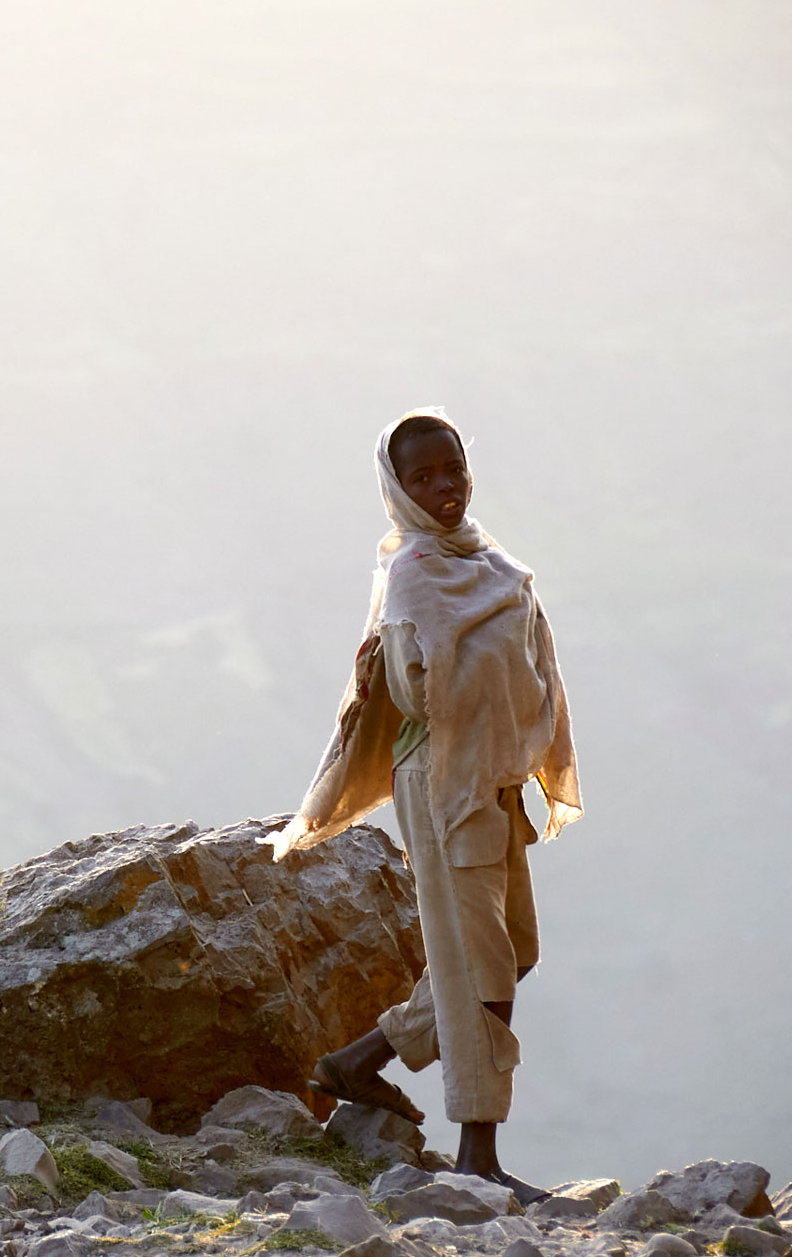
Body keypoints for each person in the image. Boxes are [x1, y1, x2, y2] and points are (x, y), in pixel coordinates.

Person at [263, 409, 581, 1202]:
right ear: (397, 490)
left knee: (516, 948)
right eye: (425, 477)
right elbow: (413, 689)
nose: (445, 488)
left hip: (493, 782)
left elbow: (525, 657)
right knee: (485, 968)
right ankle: (479, 1150)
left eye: (454, 470)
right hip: (441, 783)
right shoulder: (412, 574)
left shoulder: (492, 562)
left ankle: (355, 1063)